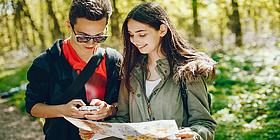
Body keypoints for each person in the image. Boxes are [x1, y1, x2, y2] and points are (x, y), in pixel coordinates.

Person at [117, 2, 217, 140]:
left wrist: (194, 135)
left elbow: (204, 124)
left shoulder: (188, 71)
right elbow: (123, 119)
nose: (135, 40)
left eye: (142, 34)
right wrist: (96, 131)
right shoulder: (130, 71)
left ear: (162, 30)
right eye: (131, 34)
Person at [25, 0, 121, 139]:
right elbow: (32, 107)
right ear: (69, 26)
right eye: (83, 37)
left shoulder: (114, 60)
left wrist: (110, 110)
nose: (91, 43)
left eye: (99, 37)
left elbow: (124, 104)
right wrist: (62, 110)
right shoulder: (46, 63)